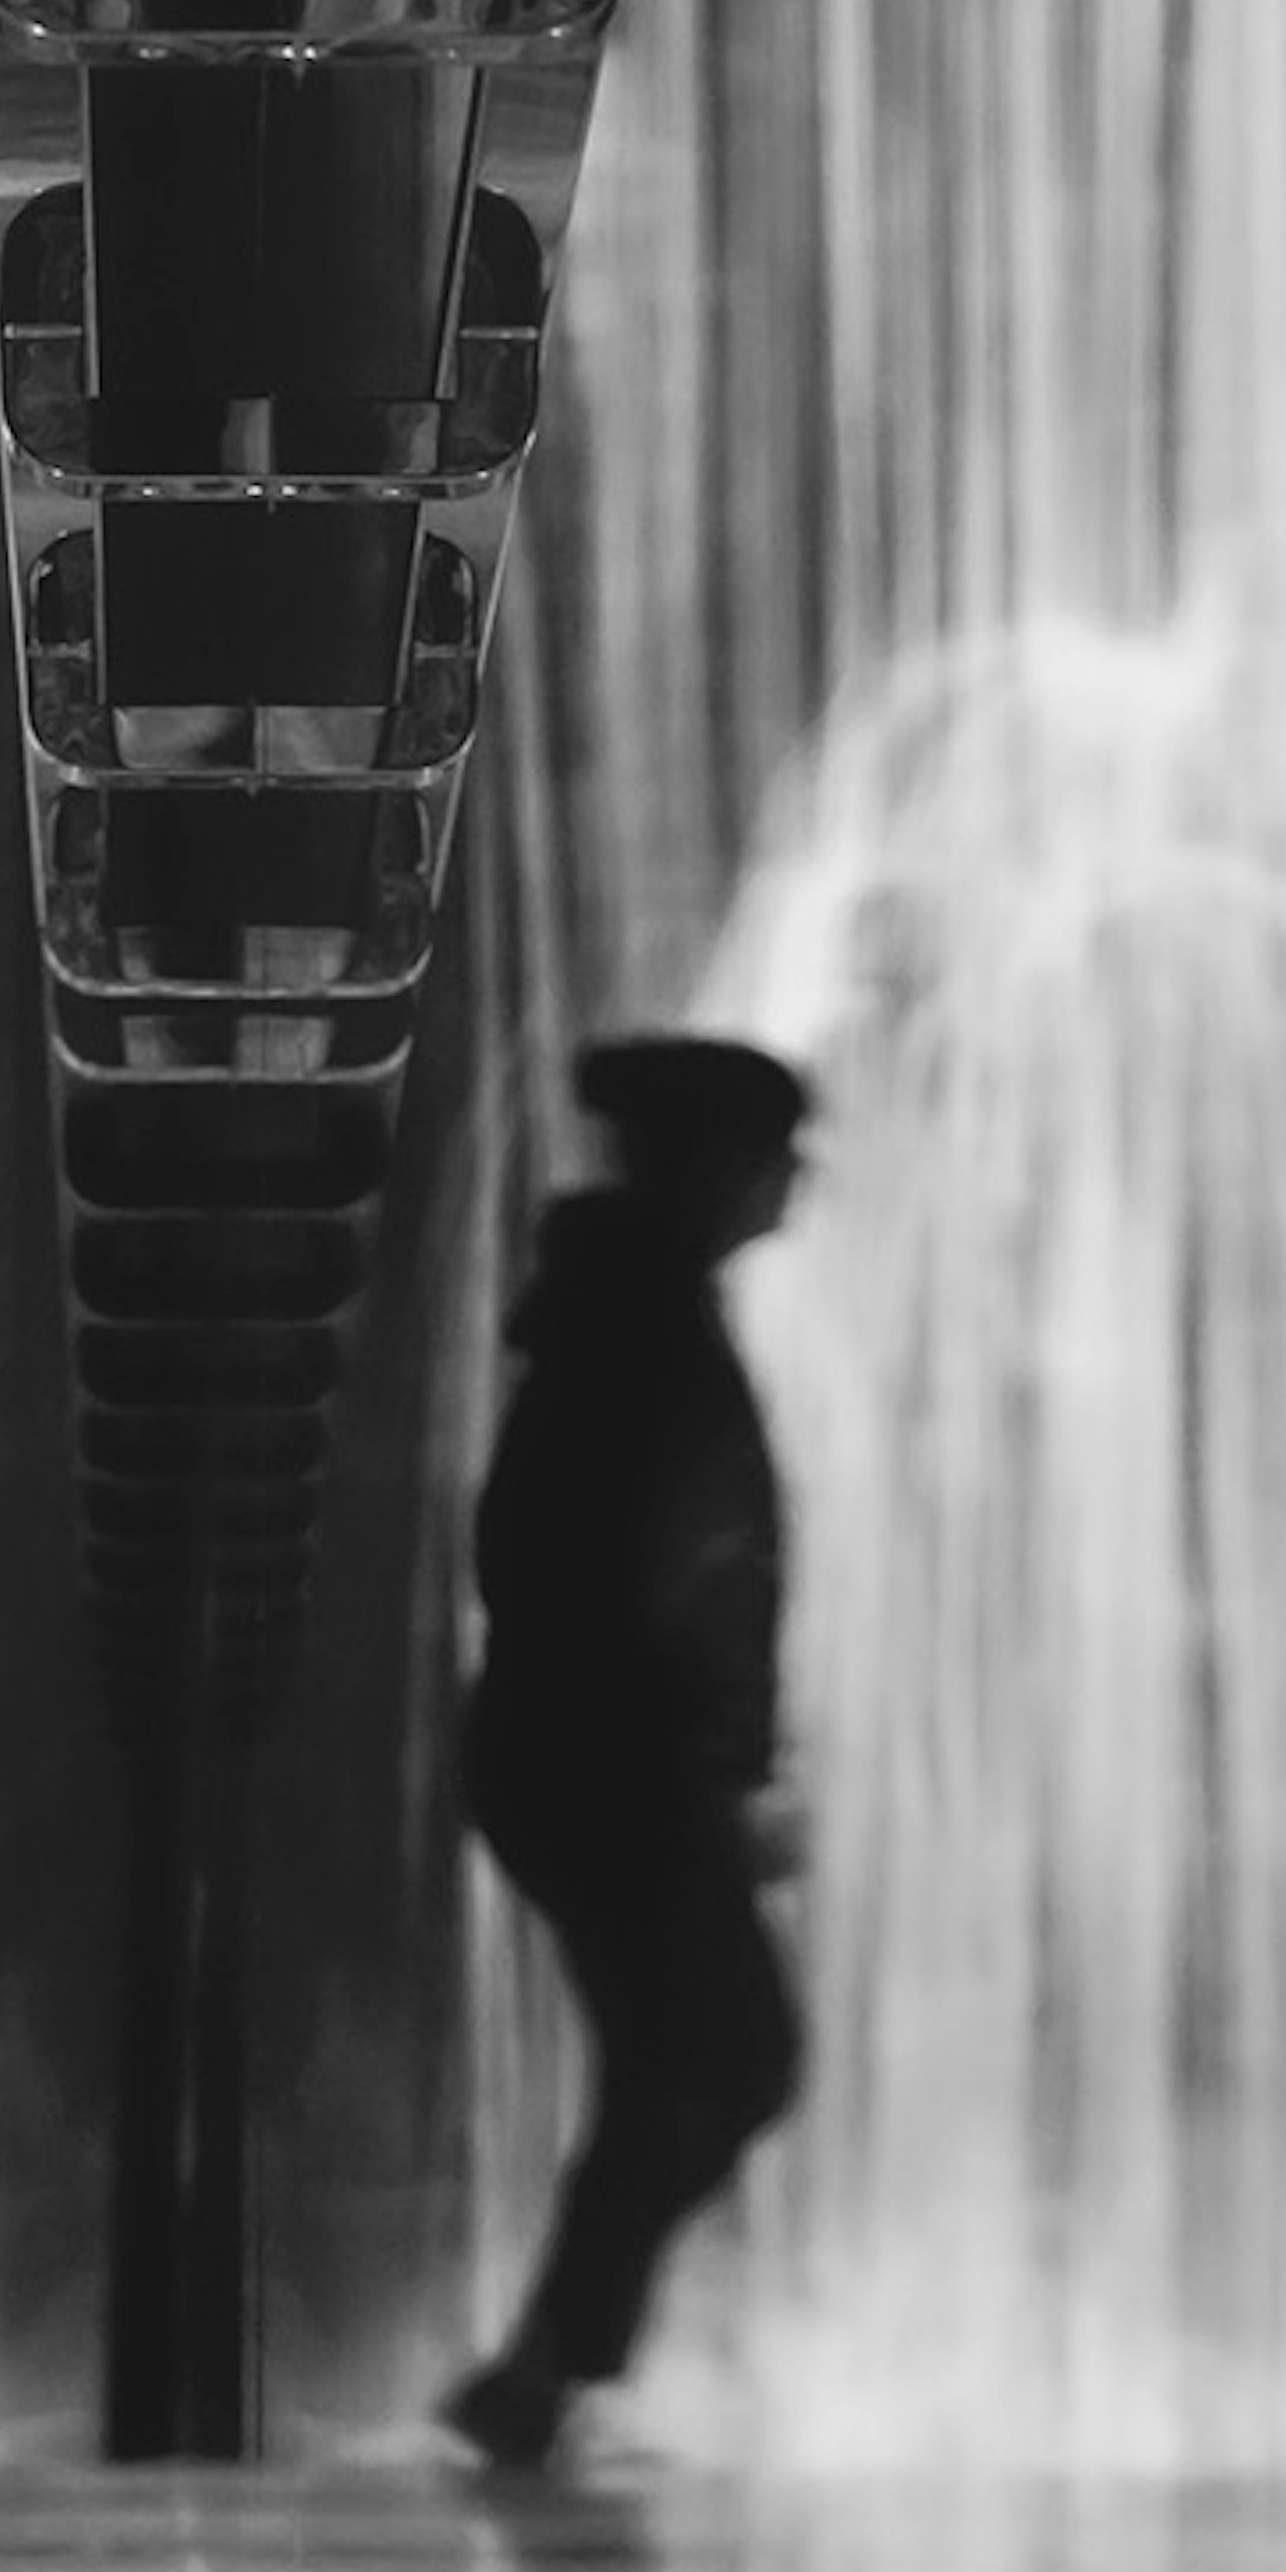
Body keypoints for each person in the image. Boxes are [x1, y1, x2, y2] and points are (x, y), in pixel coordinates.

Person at [443, 1035, 807, 2472]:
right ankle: (545, 2373)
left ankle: (549, 2371)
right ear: (715, 1167)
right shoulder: (636, 1327)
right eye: (777, 1154)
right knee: (716, 2058)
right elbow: (664, 1565)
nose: (797, 1182)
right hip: (613, 1762)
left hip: (592, 1756)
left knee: (694, 2062)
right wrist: (717, 1752)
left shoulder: (616, 1313)